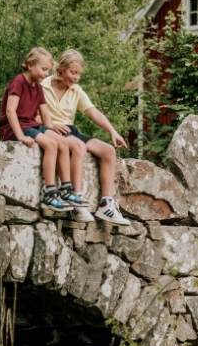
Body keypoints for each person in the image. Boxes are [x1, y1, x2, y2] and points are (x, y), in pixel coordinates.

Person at [41, 49, 131, 226]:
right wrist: (49, 125)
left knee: (108, 151)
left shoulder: (76, 90)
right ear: (60, 69)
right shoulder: (43, 86)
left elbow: (93, 112)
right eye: (72, 72)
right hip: (52, 131)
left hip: (70, 131)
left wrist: (112, 131)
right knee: (78, 147)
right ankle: (77, 201)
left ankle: (106, 204)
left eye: (78, 74)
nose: (76, 77)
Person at [0, 47, 72, 212]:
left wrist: (52, 129)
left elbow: (45, 113)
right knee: (50, 145)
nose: (46, 74)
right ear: (30, 65)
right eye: (43, 69)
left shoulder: (37, 87)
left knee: (62, 142)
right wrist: (20, 136)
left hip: (31, 125)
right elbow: (10, 111)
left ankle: (66, 189)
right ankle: (49, 191)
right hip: (15, 126)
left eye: (48, 70)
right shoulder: (19, 82)